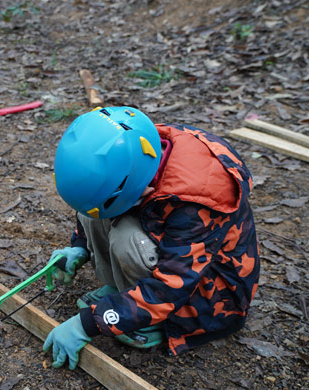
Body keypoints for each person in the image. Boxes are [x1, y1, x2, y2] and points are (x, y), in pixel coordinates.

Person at [43, 106, 260, 370]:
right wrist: (79, 247)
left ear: (137, 185)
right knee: (95, 213)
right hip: (169, 244)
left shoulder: (197, 203)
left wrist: (90, 323)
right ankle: (123, 293)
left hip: (207, 299)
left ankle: (152, 320)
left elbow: (171, 285)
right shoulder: (138, 151)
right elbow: (94, 205)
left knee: (125, 238)